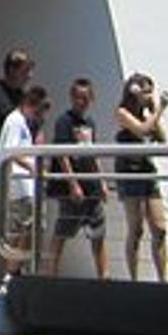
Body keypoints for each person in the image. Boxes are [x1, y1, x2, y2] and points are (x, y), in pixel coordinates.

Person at [45, 77, 108, 278]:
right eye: (78, 97)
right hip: (72, 189)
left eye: (86, 97)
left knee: (98, 232)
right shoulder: (64, 121)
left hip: (91, 186)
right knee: (63, 230)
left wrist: (102, 182)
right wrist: (73, 184)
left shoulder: (90, 123)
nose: (82, 101)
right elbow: (62, 154)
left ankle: (103, 276)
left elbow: (93, 153)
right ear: (72, 97)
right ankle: (50, 274)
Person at [114, 73, 168, 281]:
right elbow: (140, 131)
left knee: (159, 228)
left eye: (151, 90)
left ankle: (163, 278)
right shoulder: (122, 113)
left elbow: (162, 139)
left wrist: (153, 110)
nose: (149, 95)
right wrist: (159, 110)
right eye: (145, 90)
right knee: (136, 228)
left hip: (147, 172)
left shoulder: (150, 115)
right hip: (130, 172)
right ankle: (134, 278)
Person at [0, 85, 52, 276]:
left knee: (31, 228)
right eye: (38, 110)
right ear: (30, 104)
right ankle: (12, 271)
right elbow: (10, 151)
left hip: (27, 187)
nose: (38, 116)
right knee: (25, 229)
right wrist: (31, 167)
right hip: (20, 188)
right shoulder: (15, 122)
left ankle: (17, 270)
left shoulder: (24, 124)